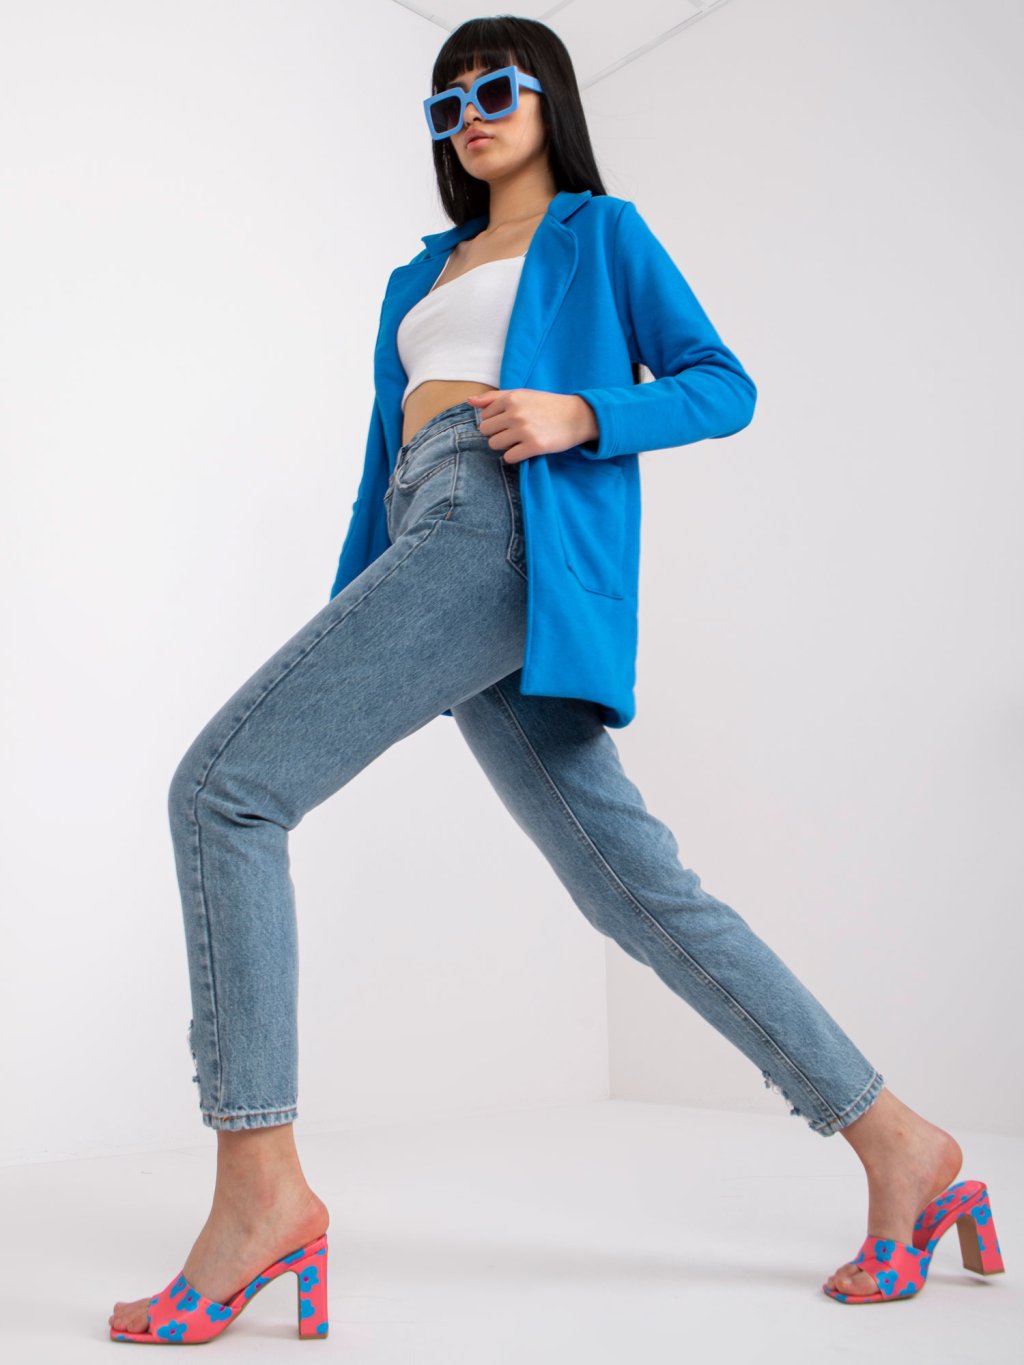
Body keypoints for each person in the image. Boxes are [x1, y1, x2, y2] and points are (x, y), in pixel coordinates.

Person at [110, 15, 994, 1342]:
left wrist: (583, 413)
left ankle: (261, 1194)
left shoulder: (600, 233)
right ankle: (905, 1145)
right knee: (633, 885)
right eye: (446, 103)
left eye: (497, 90)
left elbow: (722, 383)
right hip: (423, 541)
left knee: (225, 793)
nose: (470, 116)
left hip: (505, 527)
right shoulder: (419, 274)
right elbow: (376, 471)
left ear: (549, 99)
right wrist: (347, 622)